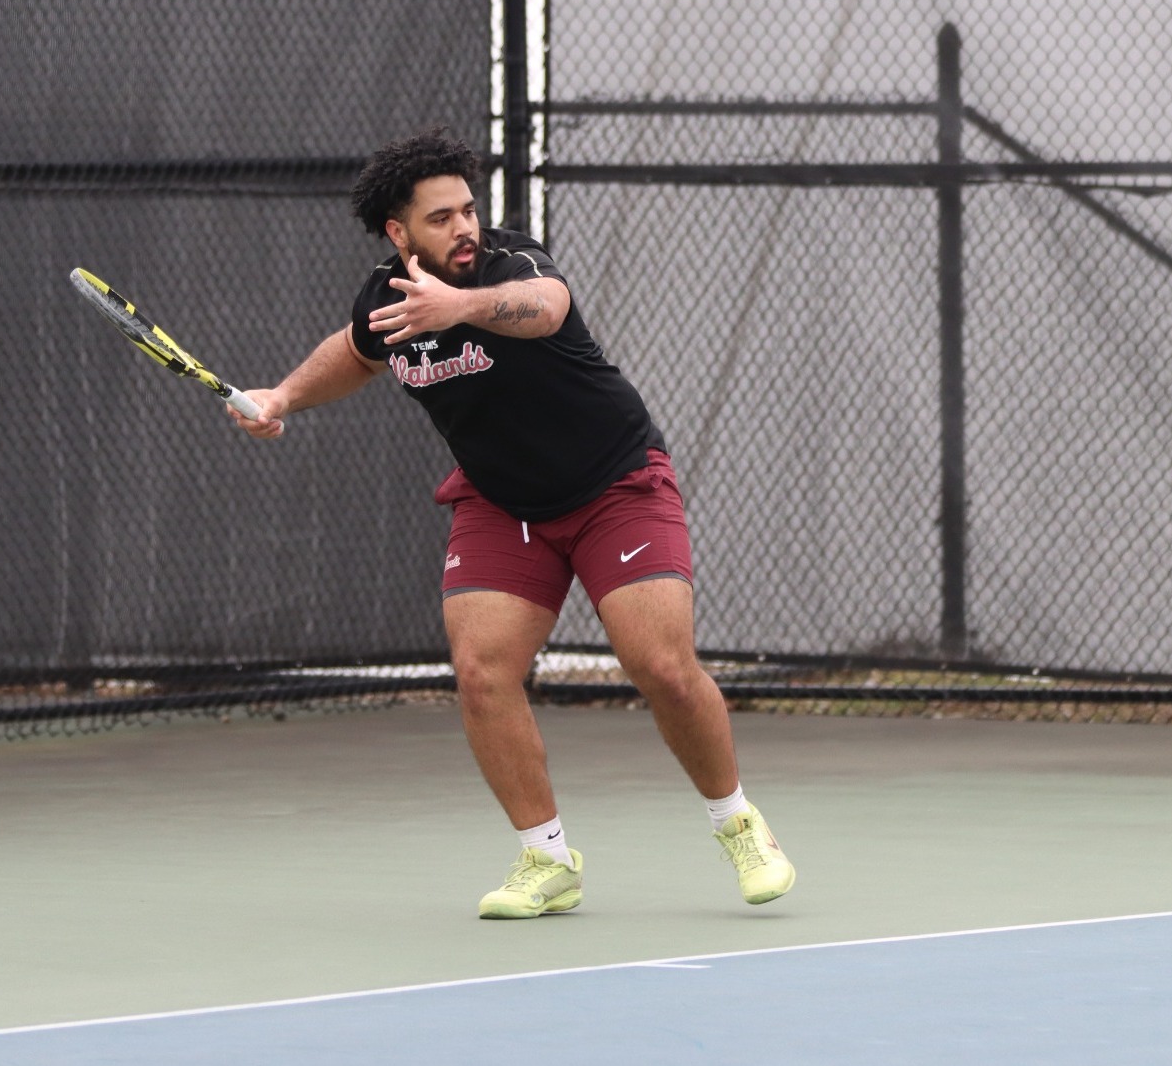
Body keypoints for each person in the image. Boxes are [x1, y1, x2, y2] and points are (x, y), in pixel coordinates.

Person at [230, 128, 794, 919]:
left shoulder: (511, 266)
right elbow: (356, 352)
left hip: (613, 485)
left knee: (661, 665)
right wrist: (283, 396)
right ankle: (547, 857)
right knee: (482, 672)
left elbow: (546, 307)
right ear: (399, 234)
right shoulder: (385, 300)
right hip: (501, 501)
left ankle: (737, 821)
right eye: (441, 218)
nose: (465, 227)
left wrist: (460, 305)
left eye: (468, 209)